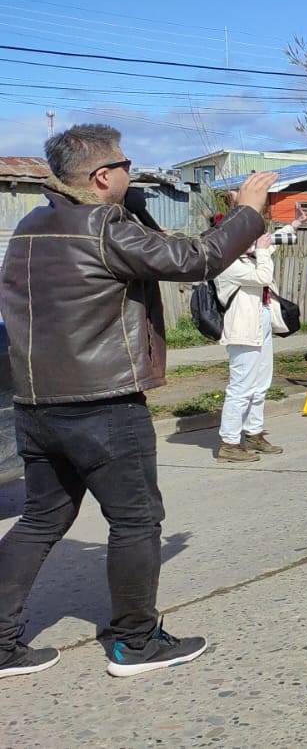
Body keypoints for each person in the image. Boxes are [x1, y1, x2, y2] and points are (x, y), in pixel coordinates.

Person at [0, 124, 275, 679]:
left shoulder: (30, 225)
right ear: (103, 176)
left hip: (35, 403)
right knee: (136, 521)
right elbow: (194, 259)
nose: (132, 172)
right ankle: (136, 643)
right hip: (102, 403)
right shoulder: (104, 226)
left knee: (40, 518)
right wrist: (247, 212)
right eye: (126, 164)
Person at [214, 204, 306, 461]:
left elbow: (272, 243)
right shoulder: (228, 263)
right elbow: (263, 275)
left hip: (260, 323)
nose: (254, 240)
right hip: (242, 328)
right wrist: (263, 251)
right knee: (241, 387)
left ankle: (253, 433)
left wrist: (295, 224)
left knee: (260, 384)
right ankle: (229, 443)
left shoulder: (248, 255)